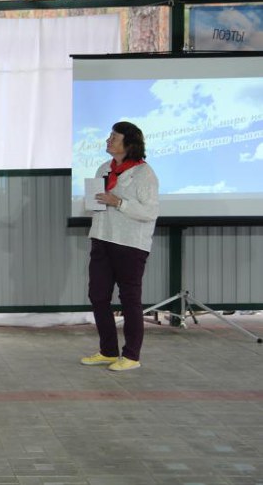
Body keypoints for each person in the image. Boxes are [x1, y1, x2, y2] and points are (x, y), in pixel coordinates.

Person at [81, 121, 159, 372]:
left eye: (114, 137)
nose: (108, 140)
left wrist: (118, 202)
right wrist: (91, 201)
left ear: (129, 143)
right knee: (98, 295)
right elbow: (95, 205)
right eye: (109, 136)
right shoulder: (104, 168)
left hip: (130, 244)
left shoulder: (144, 173)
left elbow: (149, 212)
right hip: (102, 238)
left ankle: (131, 355)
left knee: (129, 299)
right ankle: (108, 351)